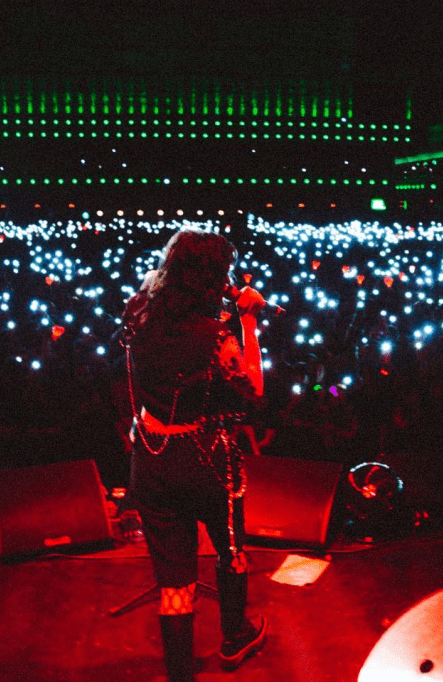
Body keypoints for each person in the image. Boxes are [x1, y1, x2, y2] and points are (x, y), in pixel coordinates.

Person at [121, 229, 268, 681]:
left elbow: (154, 286)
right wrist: (246, 321)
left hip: (151, 455)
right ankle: (234, 636)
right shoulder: (215, 336)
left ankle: (181, 673)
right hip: (205, 459)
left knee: (175, 580)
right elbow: (253, 390)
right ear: (212, 277)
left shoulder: (137, 313)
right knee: (229, 549)